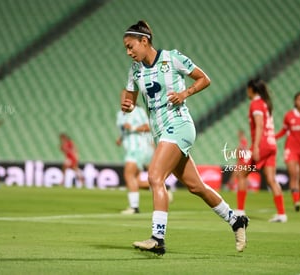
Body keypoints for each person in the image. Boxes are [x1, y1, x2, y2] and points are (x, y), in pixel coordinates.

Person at [121, 20, 248, 256]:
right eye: (126, 48)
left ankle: (158, 238)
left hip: (179, 126)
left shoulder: (172, 58)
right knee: (195, 186)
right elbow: (129, 94)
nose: (128, 52)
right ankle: (235, 220)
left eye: (131, 46)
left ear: (144, 41)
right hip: (161, 132)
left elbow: (204, 78)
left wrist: (184, 93)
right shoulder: (135, 69)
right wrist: (127, 105)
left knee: (154, 176)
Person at [237, 79, 287, 222]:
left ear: (252, 89)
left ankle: (240, 211)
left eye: (248, 89)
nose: (247, 92)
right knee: (271, 179)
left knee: (241, 174)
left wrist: (256, 146)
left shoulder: (256, 104)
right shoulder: (266, 104)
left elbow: (259, 125)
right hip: (272, 144)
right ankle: (282, 214)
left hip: (262, 144)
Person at [116, 105, 153, 214]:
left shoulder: (138, 111)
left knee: (128, 175)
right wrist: (121, 138)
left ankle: (134, 207)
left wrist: (132, 128)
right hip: (131, 148)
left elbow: (147, 127)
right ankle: (162, 186)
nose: (123, 99)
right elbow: (125, 131)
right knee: (135, 181)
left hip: (137, 148)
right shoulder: (121, 114)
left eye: (126, 96)